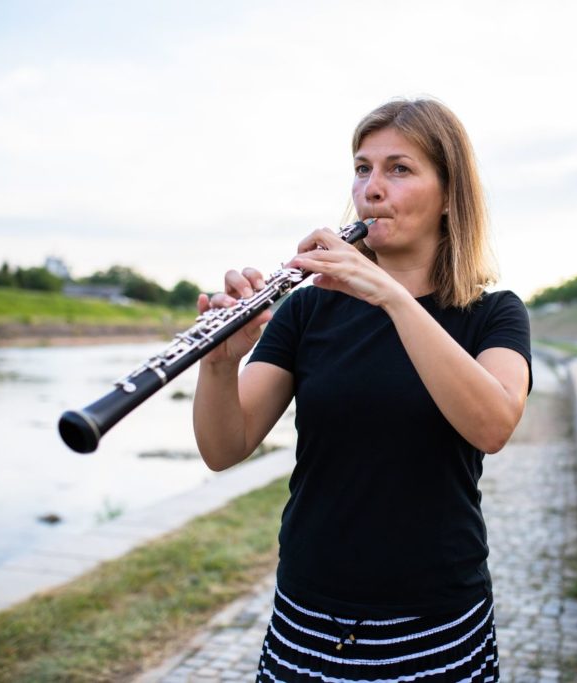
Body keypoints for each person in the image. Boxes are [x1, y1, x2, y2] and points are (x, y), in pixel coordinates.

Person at [193, 98, 532, 682]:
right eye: (362, 168)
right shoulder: (306, 310)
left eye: (399, 169)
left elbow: (493, 424)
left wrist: (390, 294)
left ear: (450, 196)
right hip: (306, 613)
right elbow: (224, 448)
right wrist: (219, 366)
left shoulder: (493, 314)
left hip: (436, 622)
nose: (371, 188)